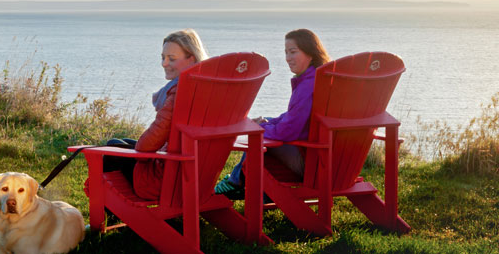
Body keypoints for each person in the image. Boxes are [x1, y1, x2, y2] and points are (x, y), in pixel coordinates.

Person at [214, 28, 331, 199]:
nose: (288, 58)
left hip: (310, 162)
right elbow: (295, 116)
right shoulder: (318, 79)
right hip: (323, 156)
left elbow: (288, 131)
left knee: (257, 136)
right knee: (265, 124)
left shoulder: (307, 86)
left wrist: (259, 129)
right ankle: (243, 182)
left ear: (311, 53)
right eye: (286, 53)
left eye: (293, 52)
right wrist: (267, 123)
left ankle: (235, 182)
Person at [102, 29, 208, 201]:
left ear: (192, 59)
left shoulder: (180, 92)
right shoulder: (211, 89)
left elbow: (148, 144)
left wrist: (149, 146)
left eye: (171, 59)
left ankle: (111, 213)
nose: (164, 63)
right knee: (117, 143)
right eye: (163, 57)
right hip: (197, 174)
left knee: (111, 151)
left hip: (168, 178)